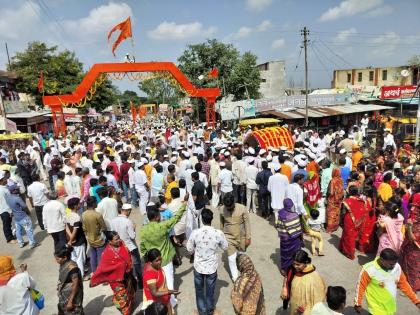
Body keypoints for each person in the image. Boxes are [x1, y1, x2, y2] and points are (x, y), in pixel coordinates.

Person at [140, 197, 187, 308]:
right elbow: (176, 218)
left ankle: (158, 304)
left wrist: (147, 260)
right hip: (165, 259)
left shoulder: (143, 230)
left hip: (152, 261)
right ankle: (171, 301)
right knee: (168, 281)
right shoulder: (162, 226)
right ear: (157, 217)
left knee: (155, 283)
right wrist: (184, 203)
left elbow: (142, 247)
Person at [186, 208, 228, 315]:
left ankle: (201, 311)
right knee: (210, 291)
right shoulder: (218, 233)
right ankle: (209, 311)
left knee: (199, 291)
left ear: (201, 219)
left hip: (198, 266)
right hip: (211, 267)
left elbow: (189, 249)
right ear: (211, 219)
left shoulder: (195, 233)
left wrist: (197, 250)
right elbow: (225, 247)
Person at [354, 248, 420, 314]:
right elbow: (360, 286)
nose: (394, 266)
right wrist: (358, 304)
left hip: (390, 306)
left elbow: (404, 285)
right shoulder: (369, 269)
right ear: (382, 260)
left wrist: (416, 302)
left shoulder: (397, 267)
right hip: (376, 308)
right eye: (391, 264)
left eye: (395, 263)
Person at [91, 231, 135, 315]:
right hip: (116, 280)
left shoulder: (123, 244)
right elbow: (103, 268)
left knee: (130, 292)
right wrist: (120, 266)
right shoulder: (107, 253)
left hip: (127, 276)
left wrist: (129, 268)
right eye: (116, 239)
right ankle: (125, 312)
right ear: (110, 241)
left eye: (119, 237)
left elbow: (129, 256)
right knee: (121, 297)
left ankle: (130, 307)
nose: (119, 240)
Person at [281, 250, 326, 314]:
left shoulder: (314, 278)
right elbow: (286, 277)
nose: (295, 266)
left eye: (298, 264)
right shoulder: (292, 269)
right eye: (294, 263)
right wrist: (284, 288)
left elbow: (318, 300)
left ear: (305, 263)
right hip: (294, 306)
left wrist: (306, 311)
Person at [220, 193, 251, 282]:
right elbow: (221, 224)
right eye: (227, 208)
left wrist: (248, 237)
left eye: (231, 207)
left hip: (241, 236)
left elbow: (247, 223)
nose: (229, 209)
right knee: (231, 258)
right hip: (228, 237)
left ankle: (242, 270)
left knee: (241, 255)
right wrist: (222, 237)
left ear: (234, 202)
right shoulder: (221, 209)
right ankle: (235, 278)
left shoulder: (242, 208)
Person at [111, 203, 143, 290]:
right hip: (130, 247)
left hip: (120, 248)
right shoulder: (128, 221)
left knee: (126, 268)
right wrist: (134, 228)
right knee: (136, 265)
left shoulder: (113, 221)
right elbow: (132, 236)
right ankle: (141, 284)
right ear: (128, 211)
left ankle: (129, 285)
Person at [142, 248, 180, 314]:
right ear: (150, 262)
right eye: (157, 260)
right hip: (156, 301)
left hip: (163, 297)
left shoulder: (155, 266)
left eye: (160, 259)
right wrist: (169, 292)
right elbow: (154, 293)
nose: (160, 262)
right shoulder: (149, 274)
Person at [6, 184, 39, 249]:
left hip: (16, 218)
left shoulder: (8, 198)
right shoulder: (17, 198)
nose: (18, 189)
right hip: (23, 217)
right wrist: (27, 212)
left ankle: (21, 243)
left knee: (18, 231)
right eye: (17, 189)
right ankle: (32, 243)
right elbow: (24, 206)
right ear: (13, 190)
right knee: (29, 230)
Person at [276, 198, 303, 275]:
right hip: (294, 240)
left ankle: (284, 270)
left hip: (284, 239)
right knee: (295, 254)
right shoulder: (295, 215)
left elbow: (278, 226)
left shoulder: (281, 214)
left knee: (285, 254)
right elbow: (298, 228)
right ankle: (294, 269)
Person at [54, 245, 84, 315]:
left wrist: (70, 301)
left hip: (72, 296)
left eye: (58, 259)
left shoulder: (73, 268)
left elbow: (75, 285)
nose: (56, 261)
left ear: (65, 257)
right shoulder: (64, 263)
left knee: (74, 311)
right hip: (64, 293)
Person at [339, 186, 367, 260]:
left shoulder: (346, 201)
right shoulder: (362, 201)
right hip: (359, 221)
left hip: (349, 220)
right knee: (353, 236)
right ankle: (348, 249)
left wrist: (341, 221)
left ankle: (349, 253)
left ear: (349, 192)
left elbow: (343, 213)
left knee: (348, 236)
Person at [399, 191, 419, 291]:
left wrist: (410, 228)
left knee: (413, 267)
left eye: (416, 208)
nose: (413, 209)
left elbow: (413, 238)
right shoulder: (415, 217)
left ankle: (411, 288)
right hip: (409, 244)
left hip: (415, 247)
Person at [81, 196, 107, 273]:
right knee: (101, 258)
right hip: (99, 239)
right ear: (93, 203)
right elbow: (104, 227)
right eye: (96, 202)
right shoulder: (97, 215)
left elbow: (84, 228)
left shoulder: (83, 214)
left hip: (90, 239)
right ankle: (101, 274)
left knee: (93, 256)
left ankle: (94, 272)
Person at [65, 197, 86, 278]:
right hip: (79, 241)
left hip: (71, 241)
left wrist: (70, 238)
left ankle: (74, 274)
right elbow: (75, 230)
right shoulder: (77, 217)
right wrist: (72, 239)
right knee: (80, 259)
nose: (80, 205)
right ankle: (81, 275)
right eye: (79, 204)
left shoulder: (67, 215)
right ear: (75, 206)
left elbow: (66, 227)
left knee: (73, 258)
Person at [0, 170, 17, 244]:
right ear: (1, 180)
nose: (6, 179)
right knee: (6, 225)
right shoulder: (1, 190)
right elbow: (5, 202)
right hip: (5, 210)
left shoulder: (4, 187)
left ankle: (11, 236)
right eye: (5, 179)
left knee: (9, 224)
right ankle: (9, 239)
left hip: (6, 209)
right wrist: (10, 211)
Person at [325, 168, 344, 233]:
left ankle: (330, 228)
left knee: (331, 214)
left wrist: (327, 197)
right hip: (339, 200)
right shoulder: (341, 180)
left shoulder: (332, 181)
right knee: (337, 213)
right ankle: (335, 227)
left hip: (332, 200)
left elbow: (331, 192)